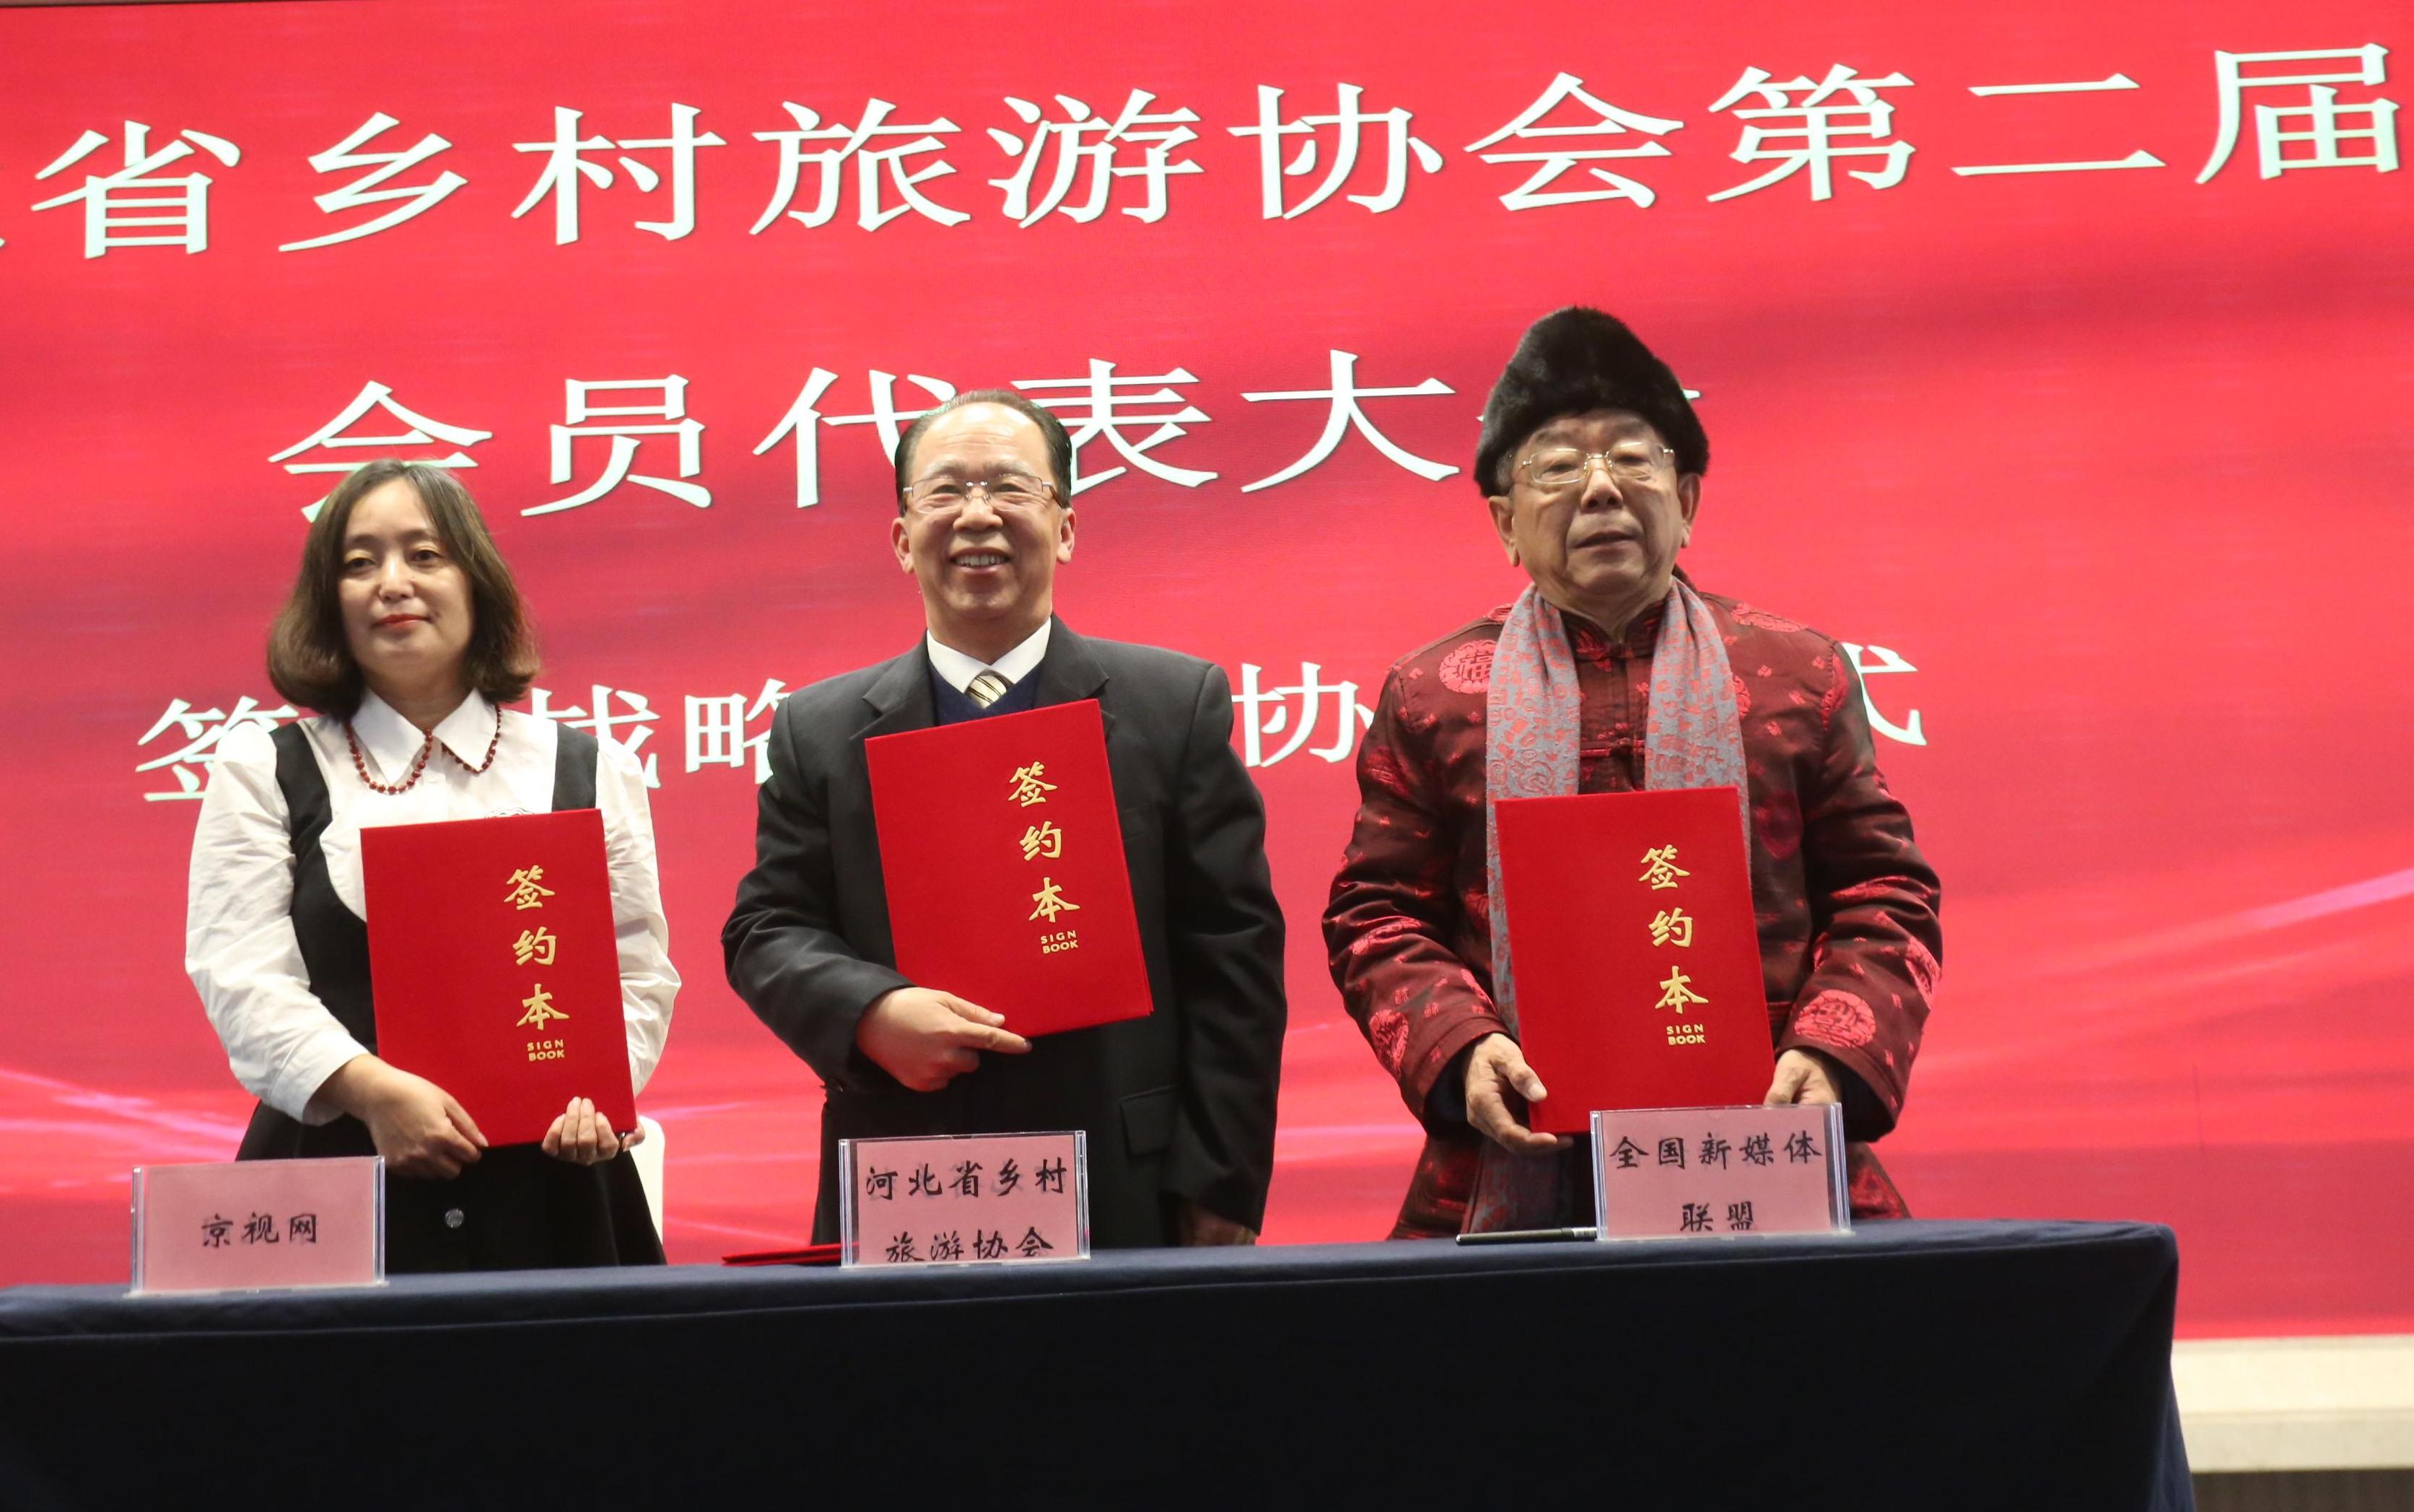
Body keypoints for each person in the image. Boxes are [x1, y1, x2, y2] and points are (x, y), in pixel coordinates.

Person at [1324, 307, 1941, 1235]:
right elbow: (1377, 914)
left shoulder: (1797, 670)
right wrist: (1462, 1047)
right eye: (1558, 468)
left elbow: (1883, 891)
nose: (1601, 488)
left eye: (1631, 459)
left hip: (1764, 1131)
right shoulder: (1433, 693)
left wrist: (1830, 1051)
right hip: (1521, 1138)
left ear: (1686, 501)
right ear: (1505, 523)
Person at [724, 390, 1285, 1249]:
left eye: (1011, 487)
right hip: (907, 1170)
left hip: (1124, 1180)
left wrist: (1222, 1183)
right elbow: (766, 928)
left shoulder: (1172, 707)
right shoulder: (821, 730)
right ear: (902, 538)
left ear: (1065, 527)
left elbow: (1232, 955)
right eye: (945, 490)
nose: (978, 514)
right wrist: (871, 1012)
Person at [186, 459, 675, 1271]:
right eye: (359, 562)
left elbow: (638, 968)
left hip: (551, 1185)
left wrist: (597, 1093)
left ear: (476, 581)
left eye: (425, 555)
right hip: (338, 1173)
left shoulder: (588, 766)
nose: (393, 584)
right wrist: (371, 1090)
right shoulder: (265, 766)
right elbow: (240, 974)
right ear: (328, 599)